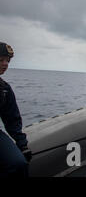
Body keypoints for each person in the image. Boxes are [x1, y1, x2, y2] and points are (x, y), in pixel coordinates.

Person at [0, 42, 32, 177]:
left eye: (7, 61)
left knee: (19, 164)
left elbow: (12, 120)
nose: (5, 64)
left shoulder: (4, 90)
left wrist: (22, 144)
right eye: (1, 60)